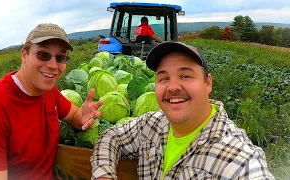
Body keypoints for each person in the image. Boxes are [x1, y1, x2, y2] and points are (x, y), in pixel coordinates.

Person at [90, 42, 275, 179]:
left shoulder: (240, 162)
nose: (172, 87)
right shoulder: (152, 125)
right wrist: (103, 175)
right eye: (163, 78)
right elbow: (111, 137)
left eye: (185, 75)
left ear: (208, 83)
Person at [0, 23, 103, 180]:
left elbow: (73, 114)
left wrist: (82, 116)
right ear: (24, 55)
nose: (53, 65)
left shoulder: (49, 93)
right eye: (43, 55)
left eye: (60, 58)